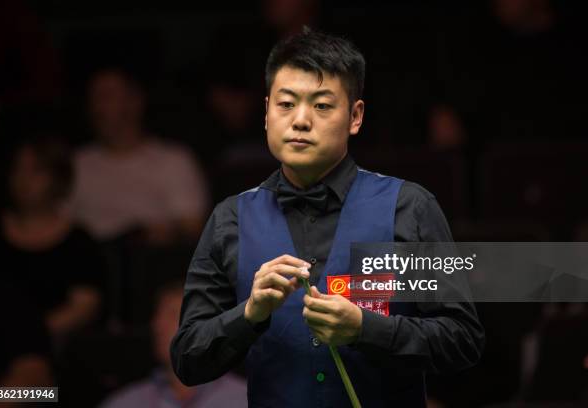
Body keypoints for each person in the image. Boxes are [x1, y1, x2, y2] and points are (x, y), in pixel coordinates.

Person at [171, 28, 484, 407]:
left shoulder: (408, 207)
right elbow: (188, 358)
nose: (300, 120)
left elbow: (462, 340)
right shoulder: (230, 220)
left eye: (321, 105)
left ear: (355, 116)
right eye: (286, 104)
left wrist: (366, 329)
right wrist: (249, 315)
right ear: (267, 113)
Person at [70, 68, 209, 244]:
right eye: (94, 97)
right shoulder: (75, 164)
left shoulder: (173, 161)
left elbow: (192, 229)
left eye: (106, 96)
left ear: (135, 101)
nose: (97, 106)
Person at [0, 138, 103, 341]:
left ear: (57, 178)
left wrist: (27, 334)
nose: (23, 179)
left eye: (36, 171)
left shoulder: (78, 241)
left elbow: (84, 307)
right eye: (17, 169)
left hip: (53, 345)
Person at [100, 280, 247, 408]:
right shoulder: (127, 402)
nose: (157, 325)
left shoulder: (244, 401)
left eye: (172, 315)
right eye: (157, 316)